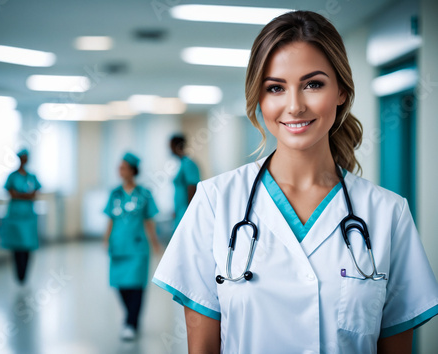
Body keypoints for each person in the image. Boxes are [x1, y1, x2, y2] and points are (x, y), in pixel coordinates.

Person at [153, 10, 438, 354]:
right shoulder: (215, 202)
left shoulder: (388, 213)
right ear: (259, 98)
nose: (294, 106)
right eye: (276, 88)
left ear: (342, 91)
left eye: (313, 84)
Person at [103, 152, 161, 340]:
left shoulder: (144, 193)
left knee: (136, 285)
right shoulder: (115, 193)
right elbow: (110, 219)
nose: (120, 171)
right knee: (121, 285)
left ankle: (131, 323)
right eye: (119, 167)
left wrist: (155, 243)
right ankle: (130, 317)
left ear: (132, 171)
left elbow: (149, 221)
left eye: (123, 167)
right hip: (118, 245)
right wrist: (106, 239)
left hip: (137, 247)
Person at [2, 148, 41, 284]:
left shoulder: (32, 177)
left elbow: (35, 194)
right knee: (17, 247)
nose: (24, 160)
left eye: (26, 158)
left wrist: (20, 195)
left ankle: (24, 275)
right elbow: (11, 193)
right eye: (22, 157)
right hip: (15, 217)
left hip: (28, 217)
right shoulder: (12, 176)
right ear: (19, 159)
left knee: (28, 246)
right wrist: (26, 196)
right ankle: (19, 275)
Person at [170, 135, 200, 229]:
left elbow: (192, 187)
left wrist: (190, 211)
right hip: (180, 211)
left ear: (176, 146)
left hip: (186, 210)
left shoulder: (188, 164)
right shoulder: (182, 163)